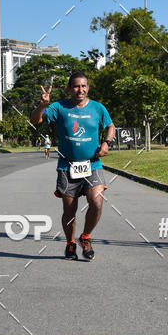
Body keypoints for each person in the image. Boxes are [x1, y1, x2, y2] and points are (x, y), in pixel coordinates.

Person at [31, 72, 115, 260]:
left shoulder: (98, 108)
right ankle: (70, 243)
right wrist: (42, 106)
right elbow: (35, 120)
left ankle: (85, 237)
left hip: (92, 165)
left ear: (88, 88)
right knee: (70, 210)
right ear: (69, 89)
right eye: (76, 86)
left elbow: (110, 126)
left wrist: (107, 143)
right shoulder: (59, 107)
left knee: (97, 202)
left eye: (84, 86)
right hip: (67, 167)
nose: (80, 90)